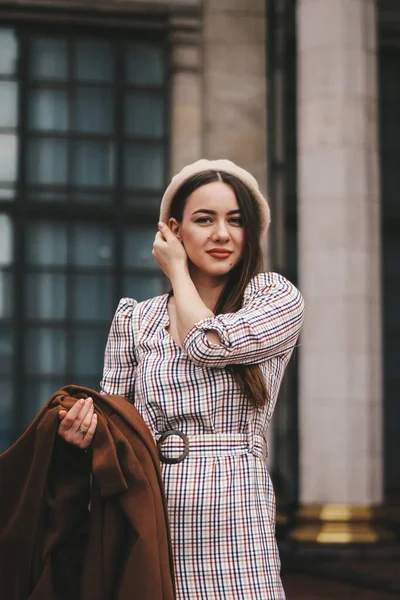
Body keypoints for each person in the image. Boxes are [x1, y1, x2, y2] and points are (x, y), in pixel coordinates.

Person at [58, 159, 305, 599]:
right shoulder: (136, 318)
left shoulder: (275, 297)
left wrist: (176, 271)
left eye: (235, 221)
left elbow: (209, 343)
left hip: (235, 498)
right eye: (204, 219)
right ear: (173, 229)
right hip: (151, 498)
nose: (222, 235)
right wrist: (84, 432)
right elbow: (118, 423)